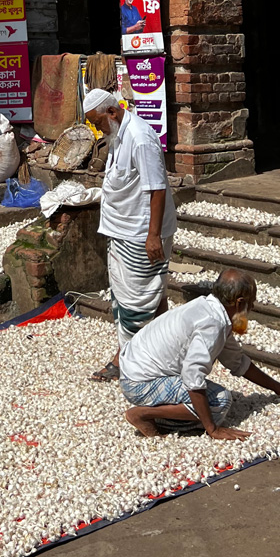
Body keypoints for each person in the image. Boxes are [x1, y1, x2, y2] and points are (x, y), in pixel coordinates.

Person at [120, 267, 280, 439]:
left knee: (213, 401)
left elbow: (237, 361)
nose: (253, 308)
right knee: (220, 402)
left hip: (134, 371)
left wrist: (278, 387)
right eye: (251, 303)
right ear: (240, 303)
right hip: (139, 383)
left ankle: (163, 412)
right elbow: (192, 376)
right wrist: (213, 429)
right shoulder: (213, 324)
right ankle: (144, 414)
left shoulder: (210, 310)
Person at [83, 88, 176, 382]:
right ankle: (168, 349)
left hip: (140, 233)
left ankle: (126, 359)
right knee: (144, 296)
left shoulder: (140, 137)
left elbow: (156, 188)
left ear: (112, 112)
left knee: (137, 302)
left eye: (97, 122)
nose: (96, 129)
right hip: (121, 231)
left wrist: (153, 236)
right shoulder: (117, 135)